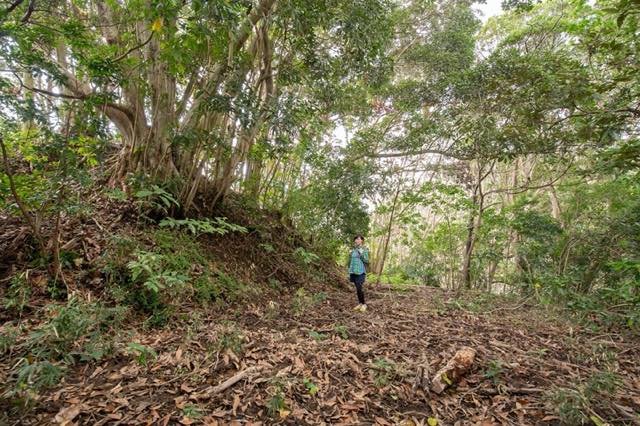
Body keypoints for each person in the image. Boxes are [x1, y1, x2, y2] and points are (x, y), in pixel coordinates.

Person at [348, 235, 369, 312]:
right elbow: (351, 261)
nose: (357, 240)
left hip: (360, 271)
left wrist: (361, 253)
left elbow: (366, 260)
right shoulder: (353, 250)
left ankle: (364, 304)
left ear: (362, 241)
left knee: (359, 287)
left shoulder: (364, 249)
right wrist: (350, 254)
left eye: (359, 239)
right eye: (356, 239)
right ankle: (360, 303)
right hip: (353, 271)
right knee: (357, 288)